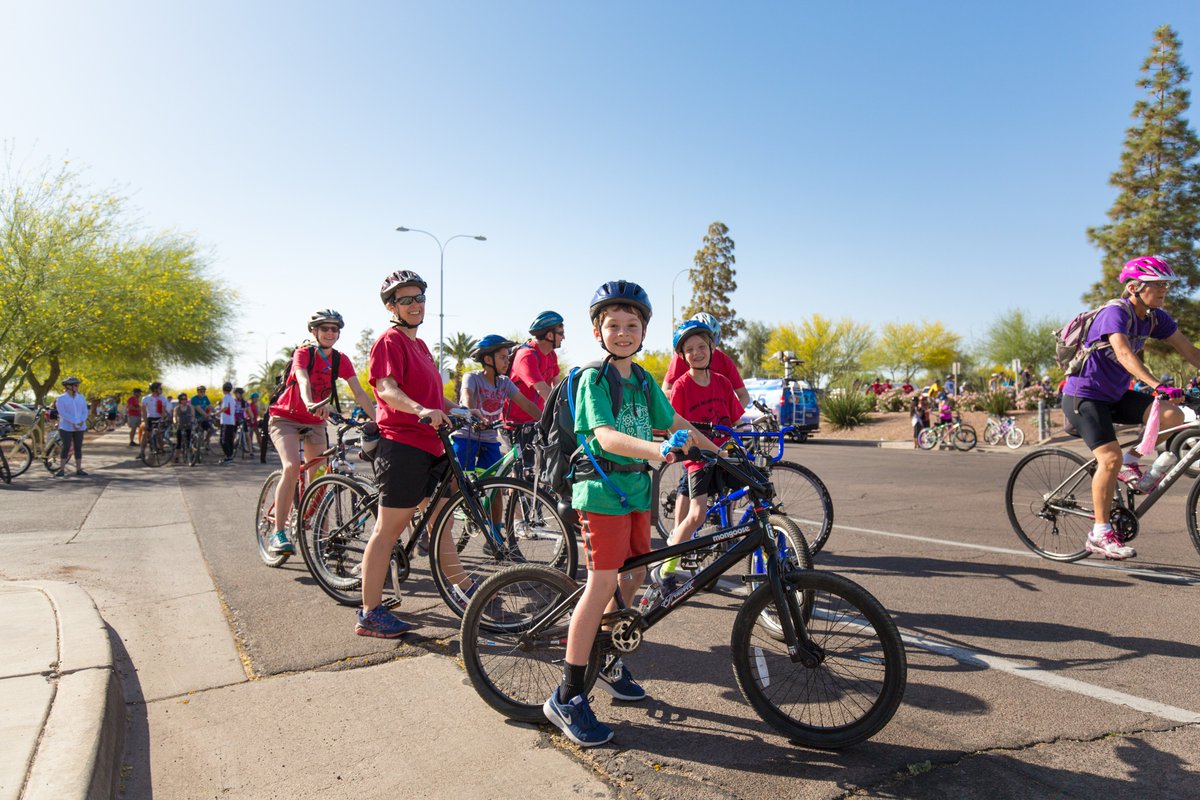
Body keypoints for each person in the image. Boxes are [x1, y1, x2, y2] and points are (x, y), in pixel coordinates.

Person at [542, 279, 706, 748]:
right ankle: (567, 696)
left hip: (636, 492)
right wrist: (659, 450)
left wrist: (721, 451)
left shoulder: (644, 380)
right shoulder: (594, 378)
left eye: (632, 325)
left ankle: (609, 661)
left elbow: (675, 422)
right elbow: (607, 436)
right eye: (613, 325)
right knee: (600, 586)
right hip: (601, 492)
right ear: (598, 332)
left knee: (632, 576)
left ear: (643, 332)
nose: (623, 332)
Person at [356, 270, 475, 637]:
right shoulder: (389, 341)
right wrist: (420, 410)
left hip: (433, 446)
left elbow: (434, 398)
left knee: (441, 524)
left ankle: (469, 592)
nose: (414, 305)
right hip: (402, 444)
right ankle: (369, 612)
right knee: (387, 530)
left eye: (419, 298)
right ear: (391, 307)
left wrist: (463, 410)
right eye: (405, 300)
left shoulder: (421, 346)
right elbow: (387, 389)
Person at [1062, 255, 1200, 560]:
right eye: (1156, 284)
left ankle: (1131, 460)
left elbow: (1190, 351)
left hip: (1114, 396)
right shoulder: (1115, 312)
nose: (1163, 289)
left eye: (1165, 284)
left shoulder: (1155, 317)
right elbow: (1124, 354)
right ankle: (1099, 534)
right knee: (1108, 458)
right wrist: (1157, 385)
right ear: (1135, 287)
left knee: (1172, 415)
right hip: (1084, 396)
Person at [266, 309, 375, 557]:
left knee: (320, 478)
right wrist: (310, 402)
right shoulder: (304, 353)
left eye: (334, 329)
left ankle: (321, 538)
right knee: (292, 467)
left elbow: (359, 392)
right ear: (314, 331)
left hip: (315, 421)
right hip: (285, 418)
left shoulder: (340, 360)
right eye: (324, 328)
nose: (330, 333)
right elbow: (303, 379)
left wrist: (378, 421)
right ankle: (278, 533)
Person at [655, 319, 731, 592]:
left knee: (758, 496)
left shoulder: (722, 382)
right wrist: (691, 445)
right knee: (697, 515)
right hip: (699, 459)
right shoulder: (682, 386)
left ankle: (767, 559)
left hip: (723, 454)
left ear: (712, 348)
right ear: (682, 356)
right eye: (689, 349)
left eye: (701, 346)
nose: (696, 353)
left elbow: (736, 420)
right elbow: (673, 425)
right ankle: (666, 569)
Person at [451, 335, 540, 472]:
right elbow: (467, 395)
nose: (507, 362)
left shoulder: (505, 382)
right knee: (459, 478)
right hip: (466, 435)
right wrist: (472, 414)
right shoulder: (472, 377)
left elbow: (527, 405)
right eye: (503, 357)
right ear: (488, 360)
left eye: (508, 358)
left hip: (489, 438)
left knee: (494, 480)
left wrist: (546, 420)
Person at [661, 312, 751, 406]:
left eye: (702, 344)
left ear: (713, 345)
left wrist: (732, 413)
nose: (696, 352)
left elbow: (744, 395)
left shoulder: (724, 361)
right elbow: (665, 391)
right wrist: (695, 396)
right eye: (690, 348)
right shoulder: (681, 358)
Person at [503, 311, 565, 428]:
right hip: (515, 426)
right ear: (550, 335)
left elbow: (558, 388)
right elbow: (543, 390)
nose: (564, 337)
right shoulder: (527, 356)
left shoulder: (551, 355)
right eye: (561, 333)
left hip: (536, 422)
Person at [54, 376, 89, 477]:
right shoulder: (61, 399)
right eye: (76, 385)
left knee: (78, 447)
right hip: (66, 427)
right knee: (66, 447)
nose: (77, 387)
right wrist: (74, 422)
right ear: (69, 386)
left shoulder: (81, 397)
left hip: (80, 427)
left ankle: (79, 469)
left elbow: (85, 411)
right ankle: (61, 470)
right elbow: (62, 413)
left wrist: (81, 421)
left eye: (77, 385)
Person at [141, 382, 170, 450]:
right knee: (145, 434)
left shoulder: (163, 398)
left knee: (159, 435)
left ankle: (161, 449)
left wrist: (161, 420)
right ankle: (142, 451)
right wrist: (145, 422)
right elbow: (144, 411)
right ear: (155, 389)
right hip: (149, 418)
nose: (161, 390)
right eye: (160, 388)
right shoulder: (146, 398)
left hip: (158, 418)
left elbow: (163, 411)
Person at [217, 382, 237, 464]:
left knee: (223, 441)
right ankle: (230, 456)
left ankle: (228, 457)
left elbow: (225, 407)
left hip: (226, 421)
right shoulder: (232, 398)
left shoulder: (225, 397)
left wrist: (217, 413)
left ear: (223, 389)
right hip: (231, 422)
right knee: (229, 440)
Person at [173, 392, 195, 462]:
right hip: (180, 426)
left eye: (185, 399)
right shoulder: (177, 408)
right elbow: (174, 416)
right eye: (182, 399)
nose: (184, 400)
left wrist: (192, 420)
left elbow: (193, 415)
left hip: (188, 425)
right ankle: (177, 457)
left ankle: (190, 455)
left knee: (189, 441)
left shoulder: (190, 407)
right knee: (179, 442)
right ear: (180, 400)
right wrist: (175, 421)